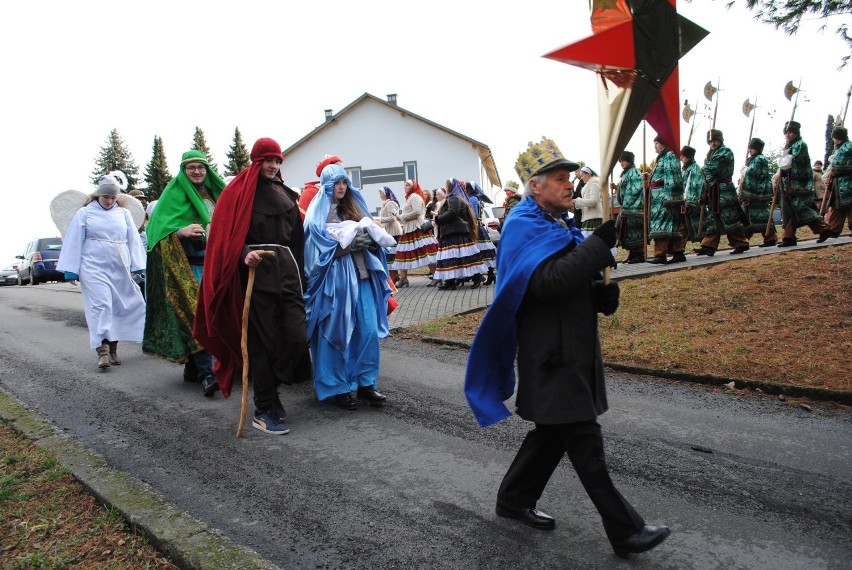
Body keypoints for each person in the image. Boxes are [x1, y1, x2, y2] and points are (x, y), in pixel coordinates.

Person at [465, 136, 669, 559]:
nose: (567, 185)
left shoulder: (558, 224)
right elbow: (549, 283)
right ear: (534, 186)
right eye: (558, 179)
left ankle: (514, 498)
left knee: (553, 435)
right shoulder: (523, 224)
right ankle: (625, 531)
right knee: (584, 441)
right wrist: (598, 246)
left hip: (570, 350)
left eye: (568, 178)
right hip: (551, 356)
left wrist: (600, 295)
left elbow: (569, 283)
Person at [194, 138, 312, 435]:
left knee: (296, 337)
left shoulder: (287, 194)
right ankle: (264, 407)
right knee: (262, 344)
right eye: (268, 161)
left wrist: (304, 276)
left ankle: (272, 391)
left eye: (277, 161)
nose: (273, 166)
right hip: (254, 276)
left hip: (287, 272)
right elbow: (224, 235)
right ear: (256, 161)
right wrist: (244, 251)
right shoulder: (237, 192)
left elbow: (298, 239)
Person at [303, 163, 392, 410]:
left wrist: (372, 243)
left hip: (362, 277)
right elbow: (312, 254)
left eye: (344, 182)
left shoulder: (354, 207)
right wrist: (345, 247)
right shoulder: (316, 214)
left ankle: (366, 382)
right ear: (327, 185)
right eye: (336, 183)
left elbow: (374, 238)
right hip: (336, 284)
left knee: (369, 331)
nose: (341, 187)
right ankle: (337, 387)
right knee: (339, 334)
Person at [143, 150, 225, 397]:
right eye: (191, 168)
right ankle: (207, 373)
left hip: (215, 267)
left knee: (215, 317)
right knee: (196, 315)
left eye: (201, 167)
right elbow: (155, 233)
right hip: (187, 267)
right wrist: (181, 232)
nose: (197, 172)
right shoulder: (172, 196)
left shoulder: (215, 195)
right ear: (184, 171)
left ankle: (193, 369)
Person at [57, 175, 147, 369]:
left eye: (113, 197)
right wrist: (71, 270)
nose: (109, 201)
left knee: (118, 306)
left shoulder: (123, 214)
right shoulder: (85, 213)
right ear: (98, 194)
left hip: (119, 266)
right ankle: (102, 350)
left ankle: (113, 348)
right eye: (106, 196)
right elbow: (73, 239)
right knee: (101, 305)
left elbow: (133, 239)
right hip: (93, 265)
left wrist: (138, 265)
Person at [694, 129, 751, 256]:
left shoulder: (726, 152)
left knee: (729, 217)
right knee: (713, 218)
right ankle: (708, 246)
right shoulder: (709, 155)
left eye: (714, 140)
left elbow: (711, 169)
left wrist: (700, 171)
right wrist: (704, 193)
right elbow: (707, 173)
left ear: (720, 140)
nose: (712, 144)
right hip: (713, 190)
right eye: (710, 141)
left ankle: (741, 243)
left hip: (725, 189)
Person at [775, 121, 831, 247]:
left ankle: (823, 228)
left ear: (796, 132)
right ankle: (789, 237)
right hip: (788, 183)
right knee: (791, 210)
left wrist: (786, 162)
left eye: (790, 132)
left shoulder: (801, 145)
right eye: (786, 133)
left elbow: (796, 163)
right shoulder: (789, 146)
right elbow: (784, 165)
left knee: (802, 209)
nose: (788, 135)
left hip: (799, 184)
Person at [433, 178, 487, 290]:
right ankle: (450, 281)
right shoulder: (453, 198)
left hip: (456, 233)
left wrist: (437, 219)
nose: (445, 188)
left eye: (446, 186)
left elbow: (452, 213)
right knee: (452, 258)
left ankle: (477, 276)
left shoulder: (455, 199)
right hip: (451, 232)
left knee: (465, 257)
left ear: (450, 187)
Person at [390, 179, 438, 287]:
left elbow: (417, 212)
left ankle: (436, 276)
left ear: (413, 186)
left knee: (426, 252)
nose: (405, 187)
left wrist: (402, 217)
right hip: (408, 229)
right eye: (405, 185)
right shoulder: (410, 197)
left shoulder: (415, 197)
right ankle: (403, 278)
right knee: (402, 253)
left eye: (407, 185)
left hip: (416, 228)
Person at [646, 136, 686, 264]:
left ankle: (660, 254)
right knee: (671, 225)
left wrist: (670, 197)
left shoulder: (669, 156)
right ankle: (678, 252)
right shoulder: (662, 158)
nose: (655, 146)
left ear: (663, 143)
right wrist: (649, 177)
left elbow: (671, 177)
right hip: (659, 197)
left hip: (664, 197)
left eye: (656, 143)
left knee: (661, 225)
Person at [738, 138, 778, 247]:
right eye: (749, 147)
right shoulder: (751, 159)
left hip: (758, 193)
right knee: (747, 218)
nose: (750, 150)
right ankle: (742, 240)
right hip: (750, 194)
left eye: (752, 148)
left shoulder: (760, 159)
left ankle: (770, 237)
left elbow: (754, 172)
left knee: (762, 216)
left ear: (758, 148)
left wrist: (745, 170)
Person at [613, 151, 646, 263]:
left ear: (630, 160)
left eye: (624, 160)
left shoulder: (633, 173)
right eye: (620, 161)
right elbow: (625, 189)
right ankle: (632, 253)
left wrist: (627, 205)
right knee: (627, 232)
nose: (621, 163)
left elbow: (634, 190)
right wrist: (617, 187)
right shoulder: (627, 173)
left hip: (633, 208)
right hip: (627, 208)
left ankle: (639, 254)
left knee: (634, 232)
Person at [464, 181, 497, 285]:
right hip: (479, 226)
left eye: (466, 188)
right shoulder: (477, 198)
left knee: (477, 251)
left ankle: (479, 276)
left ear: (469, 189)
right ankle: (490, 274)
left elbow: (472, 214)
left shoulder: (472, 199)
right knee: (484, 251)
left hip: (475, 227)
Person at [822, 125, 852, 238]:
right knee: (837, 206)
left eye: (834, 137)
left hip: (848, 181)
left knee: (850, 206)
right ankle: (834, 229)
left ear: (837, 137)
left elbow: (841, 163)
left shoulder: (849, 147)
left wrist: (836, 169)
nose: (833, 139)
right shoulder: (839, 148)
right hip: (838, 183)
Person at [375, 186, 403, 282]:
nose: (380, 195)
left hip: (393, 231)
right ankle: (394, 275)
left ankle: (394, 276)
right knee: (390, 255)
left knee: (392, 254)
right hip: (389, 231)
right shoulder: (384, 204)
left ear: (386, 194)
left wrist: (379, 219)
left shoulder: (390, 203)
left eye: (381, 193)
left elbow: (393, 218)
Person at [680, 146, 705, 244]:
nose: (681, 159)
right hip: (685, 201)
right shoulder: (686, 169)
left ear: (689, 156)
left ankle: (705, 245)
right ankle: (680, 248)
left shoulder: (695, 169)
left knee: (696, 225)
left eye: (683, 157)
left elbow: (695, 186)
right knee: (684, 226)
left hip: (691, 202)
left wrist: (690, 201)